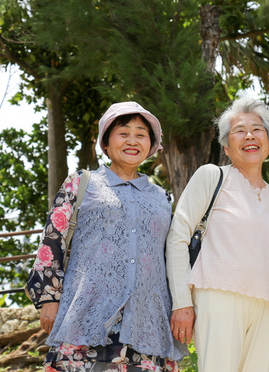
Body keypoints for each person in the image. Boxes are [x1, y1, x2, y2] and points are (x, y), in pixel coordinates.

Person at [26, 101, 187, 372]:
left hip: (147, 325)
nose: (132, 140)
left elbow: (171, 257)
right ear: (106, 141)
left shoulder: (161, 198)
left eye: (141, 134)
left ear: (151, 145)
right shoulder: (81, 183)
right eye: (123, 133)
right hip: (85, 321)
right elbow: (53, 240)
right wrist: (49, 298)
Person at [165, 97, 269, 372]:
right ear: (226, 147)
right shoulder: (211, 177)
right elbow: (177, 237)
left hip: (266, 309)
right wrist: (182, 302)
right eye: (239, 130)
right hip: (218, 299)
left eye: (257, 129)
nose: (249, 135)